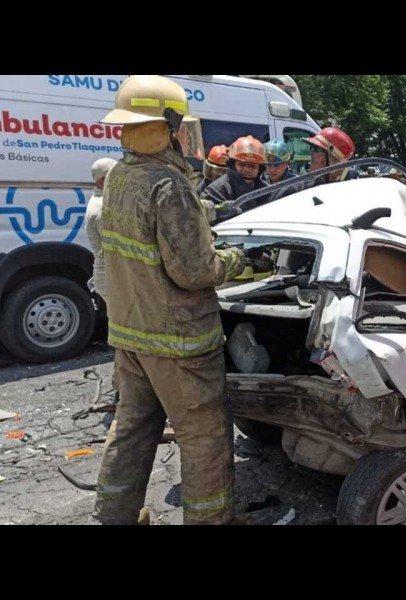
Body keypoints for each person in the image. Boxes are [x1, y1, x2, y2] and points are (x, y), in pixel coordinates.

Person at [91, 75, 245, 525]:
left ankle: (114, 515)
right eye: (182, 127)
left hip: (131, 333)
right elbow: (195, 271)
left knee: (132, 428)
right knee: (204, 436)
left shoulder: (119, 178)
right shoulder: (169, 187)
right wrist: (236, 260)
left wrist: (206, 211)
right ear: (168, 126)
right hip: (178, 341)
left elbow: (149, 225)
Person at [200, 135, 268, 223]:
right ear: (233, 164)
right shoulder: (216, 190)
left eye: (252, 166)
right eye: (242, 164)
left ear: (260, 168)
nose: (247, 169)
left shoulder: (267, 191)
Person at [84, 157, 118, 303]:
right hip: (111, 278)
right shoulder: (101, 209)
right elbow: (116, 247)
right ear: (102, 182)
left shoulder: (107, 202)